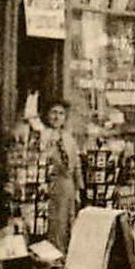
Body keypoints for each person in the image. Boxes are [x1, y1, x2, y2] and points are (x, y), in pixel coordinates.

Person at [42, 101, 82, 251]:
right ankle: (53, 254)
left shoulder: (69, 138)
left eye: (61, 113)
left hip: (68, 184)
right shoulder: (43, 135)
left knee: (68, 220)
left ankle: (65, 254)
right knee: (54, 221)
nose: (57, 117)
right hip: (52, 183)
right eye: (53, 112)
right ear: (47, 115)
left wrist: (78, 188)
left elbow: (76, 163)